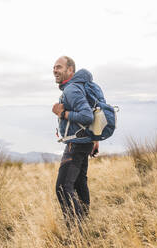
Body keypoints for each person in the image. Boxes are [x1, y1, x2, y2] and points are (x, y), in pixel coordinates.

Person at [52, 56, 99, 229]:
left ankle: (77, 232)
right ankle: (85, 224)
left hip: (76, 145)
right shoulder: (77, 87)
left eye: (59, 67)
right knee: (79, 183)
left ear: (70, 70)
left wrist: (63, 114)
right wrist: (94, 138)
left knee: (63, 188)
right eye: (54, 68)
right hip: (84, 141)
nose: (55, 70)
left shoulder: (71, 89)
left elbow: (87, 116)